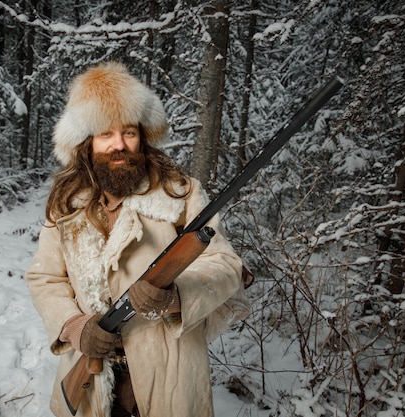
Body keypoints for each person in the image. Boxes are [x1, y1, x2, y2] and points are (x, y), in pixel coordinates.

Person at [26, 61, 250, 417]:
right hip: (95, 374)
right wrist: (75, 326)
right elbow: (45, 278)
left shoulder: (180, 194)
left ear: (142, 136)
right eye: (106, 134)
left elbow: (226, 268)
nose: (120, 145)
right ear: (87, 144)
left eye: (129, 132)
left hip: (168, 371)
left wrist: (175, 295)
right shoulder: (67, 206)